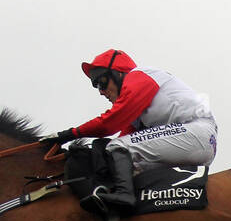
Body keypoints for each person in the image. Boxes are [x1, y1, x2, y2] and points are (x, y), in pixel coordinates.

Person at [41, 49, 218, 212]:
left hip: (196, 132)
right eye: (96, 87)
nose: (101, 92)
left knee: (117, 147)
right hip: (193, 140)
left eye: (101, 82)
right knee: (114, 153)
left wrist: (69, 134)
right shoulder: (137, 113)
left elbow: (109, 124)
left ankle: (124, 196)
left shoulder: (138, 77)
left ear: (118, 73)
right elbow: (120, 145)